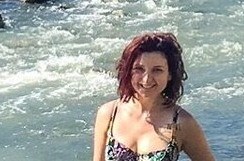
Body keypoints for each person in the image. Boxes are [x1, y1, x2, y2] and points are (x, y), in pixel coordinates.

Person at [93, 32, 216, 161]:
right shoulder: (109, 114)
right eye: (139, 69)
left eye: (157, 70)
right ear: (128, 71)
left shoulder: (181, 123)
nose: (147, 79)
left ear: (170, 74)